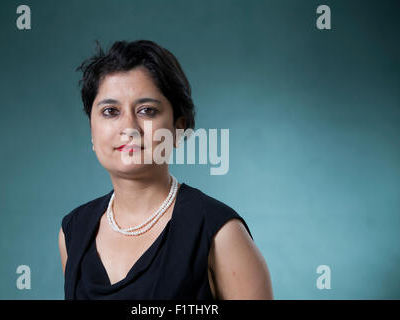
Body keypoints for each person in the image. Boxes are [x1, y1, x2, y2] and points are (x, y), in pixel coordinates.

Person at [58, 40, 273, 300]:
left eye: (147, 110)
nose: (129, 128)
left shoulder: (220, 234)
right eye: (110, 111)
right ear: (92, 131)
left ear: (178, 129)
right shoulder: (73, 232)